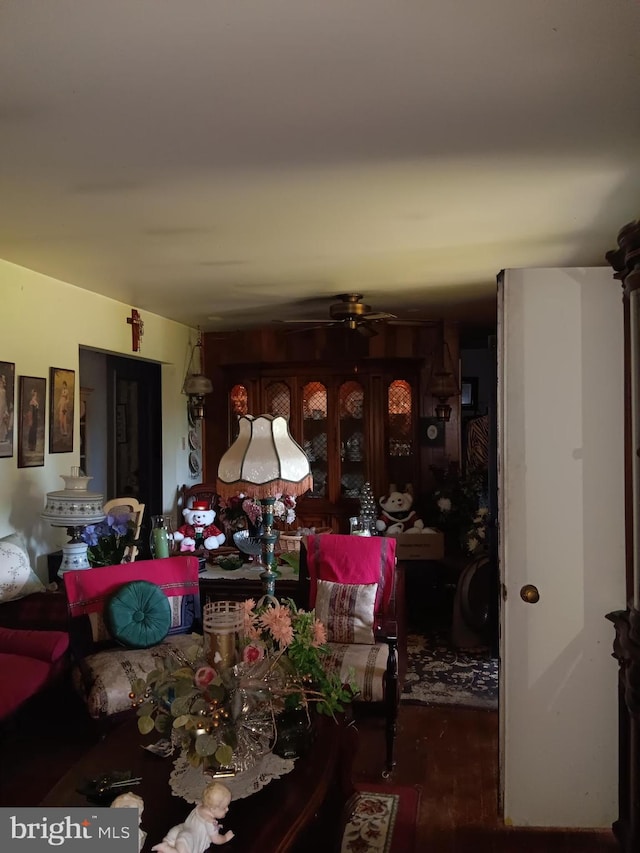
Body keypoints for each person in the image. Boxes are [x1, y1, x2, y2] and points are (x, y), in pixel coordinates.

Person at [152, 781, 234, 853]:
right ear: (212, 808)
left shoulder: (199, 807)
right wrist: (225, 838)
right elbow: (216, 839)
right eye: (224, 807)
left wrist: (216, 828)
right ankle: (167, 849)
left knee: (173, 836)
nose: (227, 809)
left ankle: (166, 844)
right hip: (191, 840)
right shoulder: (210, 822)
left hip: (183, 828)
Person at [27, 387, 39, 451]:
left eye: (36, 395)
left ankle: (33, 446)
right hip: (33, 418)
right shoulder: (32, 402)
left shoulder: (36, 402)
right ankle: (31, 446)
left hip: (35, 418)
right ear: (33, 395)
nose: (35, 396)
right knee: (32, 431)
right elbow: (30, 411)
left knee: (34, 432)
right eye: (35, 395)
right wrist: (30, 420)